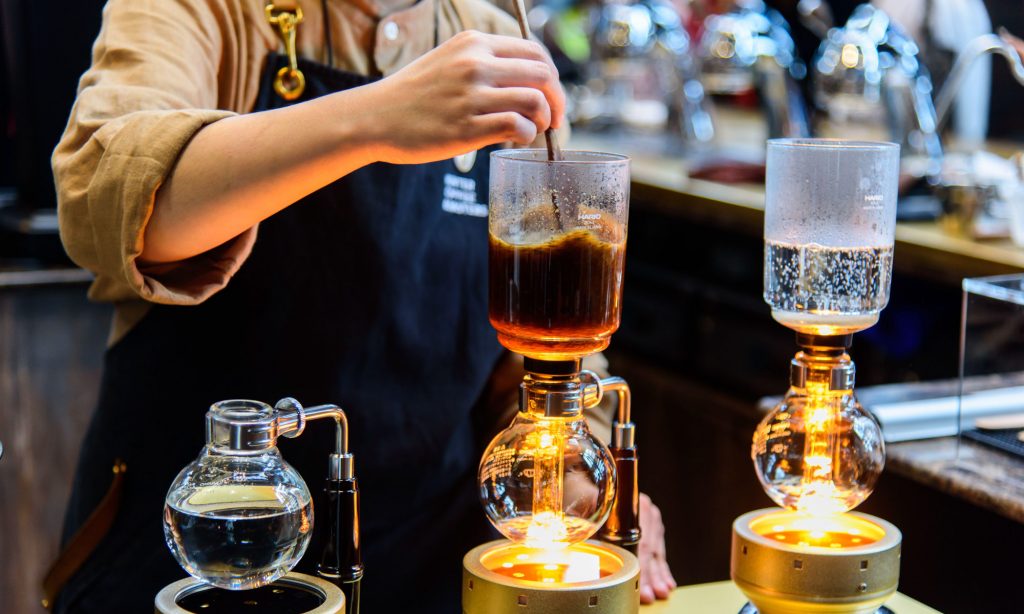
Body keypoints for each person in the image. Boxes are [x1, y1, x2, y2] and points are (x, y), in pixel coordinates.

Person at [50, 1, 676, 611]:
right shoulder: (207, 11)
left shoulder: (497, 42)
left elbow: (548, 346)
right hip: (206, 555)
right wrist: (374, 118)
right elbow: (102, 203)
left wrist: (576, 480)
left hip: (433, 565)